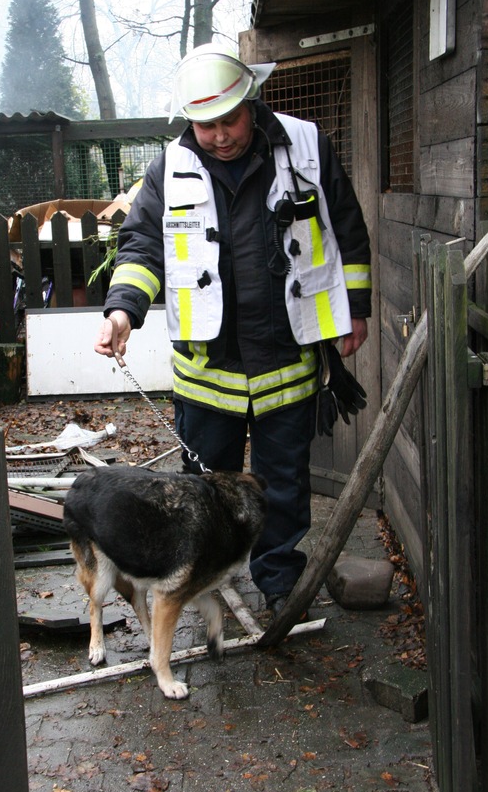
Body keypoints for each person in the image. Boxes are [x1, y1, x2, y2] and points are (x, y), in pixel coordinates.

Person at [95, 43, 371, 619]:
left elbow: (347, 227)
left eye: (229, 120)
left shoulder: (307, 147)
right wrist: (122, 309)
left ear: (253, 101)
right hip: (207, 372)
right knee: (202, 494)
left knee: (283, 486)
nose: (219, 135)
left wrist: (357, 309)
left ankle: (279, 585)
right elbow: (142, 247)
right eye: (205, 124)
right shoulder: (168, 167)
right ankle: (201, 582)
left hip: (286, 357)